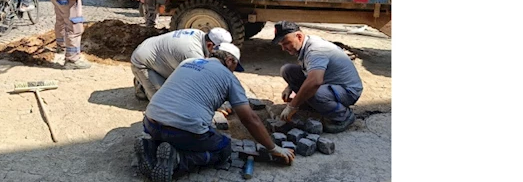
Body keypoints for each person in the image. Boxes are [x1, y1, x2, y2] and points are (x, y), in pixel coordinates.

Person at [136, 43, 295, 182]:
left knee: (171, 132)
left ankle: (151, 147)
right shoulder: (228, 77)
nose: (234, 71)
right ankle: (180, 159)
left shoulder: (187, 62)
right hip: (184, 131)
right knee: (223, 148)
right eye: (235, 67)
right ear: (230, 60)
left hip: (150, 122)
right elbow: (249, 118)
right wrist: (273, 148)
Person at [273, 21, 363, 133]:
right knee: (287, 70)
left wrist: (292, 106)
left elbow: (315, 81)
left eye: (286, 43)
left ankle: (344, 116)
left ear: (299, 36)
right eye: (281, 45)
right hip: (330, 83)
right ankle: (315, 104)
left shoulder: (315, 50)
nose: (283, 48)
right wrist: (289, 87)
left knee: (313, 92)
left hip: (348, 91)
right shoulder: (306, 44)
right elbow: (306, 69)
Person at [130, 28, 233, 100]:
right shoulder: (192, 52)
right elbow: (197, 85)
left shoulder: (199, 34)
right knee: (166, 102)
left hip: (155, 54)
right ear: (210, 44)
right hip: (143, 63)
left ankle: (148, 81)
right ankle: (142, 85)